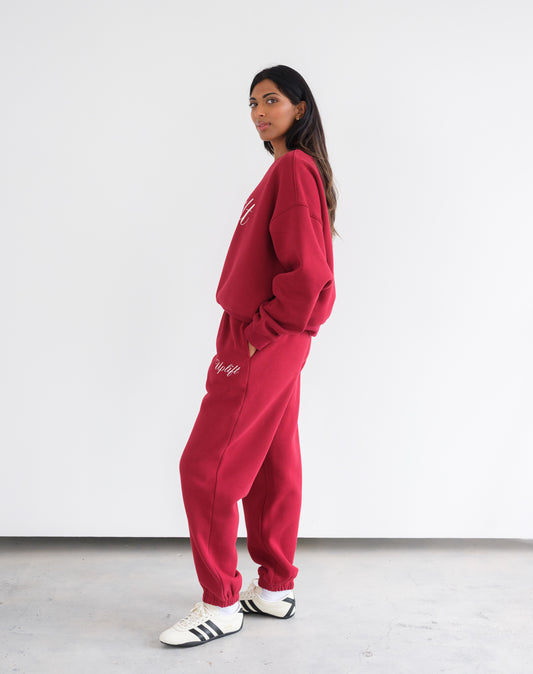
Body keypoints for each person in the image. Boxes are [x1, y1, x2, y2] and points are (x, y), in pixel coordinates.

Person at [159, 64, 340, 648]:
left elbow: (308, 272)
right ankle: (275, 588)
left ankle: (221, 602)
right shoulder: (292, 171)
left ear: (300, 108)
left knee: (205, 467)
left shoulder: (292, 169)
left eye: (272, 100)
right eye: (253, 103)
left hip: (264, 334)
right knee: (271, 461)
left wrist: (262, 332)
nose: (260, 112)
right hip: (278, 335)